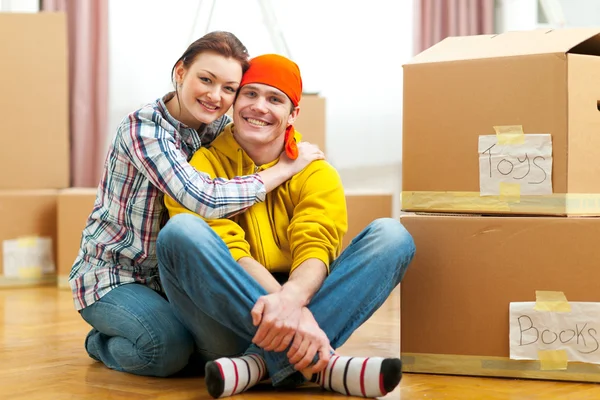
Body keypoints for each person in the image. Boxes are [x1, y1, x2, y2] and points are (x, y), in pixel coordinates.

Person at [68, 31, 324, 378]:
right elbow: (201, 197)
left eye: (229, 88)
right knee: (166, 351)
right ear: (180, 72)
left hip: (173, 277)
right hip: (116, 275)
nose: (215, 96)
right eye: (206, 79)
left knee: (212, 344)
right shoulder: (144, 130)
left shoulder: (216, 127)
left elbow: (269, 129)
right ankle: (99, 343)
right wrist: (283, 170)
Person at [160, 53, 416, 398]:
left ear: (293, 113)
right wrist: (298, 317)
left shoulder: (315, 171)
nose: (259, 107)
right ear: (235, 103)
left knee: (393, 236)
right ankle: (321, 365)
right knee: (181, 232)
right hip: (230, 316)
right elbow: (230, 252)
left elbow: (316, 246)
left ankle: (257, 365)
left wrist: (292, 298)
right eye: (250, 94)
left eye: (275, 99)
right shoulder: (203, 164)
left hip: (292, 303)